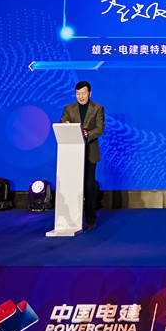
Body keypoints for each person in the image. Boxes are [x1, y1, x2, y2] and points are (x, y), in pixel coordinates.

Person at [60, 81, 105, 231]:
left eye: (83, 93)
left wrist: (88, 134)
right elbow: (62, 124)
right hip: (72, 154)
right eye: (78, 94)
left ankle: (90, 220)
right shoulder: (69, 109)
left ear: (89, 94)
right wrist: (67, 127)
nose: (81, 96)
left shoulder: (98, 108)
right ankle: (72, 218)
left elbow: (100, 128)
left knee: (89, 186)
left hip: (90, 153)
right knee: (72, 187)